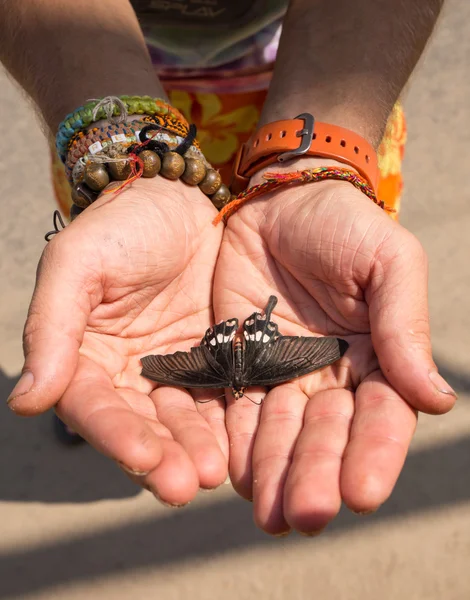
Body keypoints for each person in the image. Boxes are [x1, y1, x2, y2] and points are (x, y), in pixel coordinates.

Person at [0, 0, 456, 537]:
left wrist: (319, 162)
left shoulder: (208, 370)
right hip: (100, 96)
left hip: (340, 78)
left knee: (119, 332)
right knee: (98, 267)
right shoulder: (266, 368)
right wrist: (127, 150)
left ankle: (93, 368)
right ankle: (90, 368)